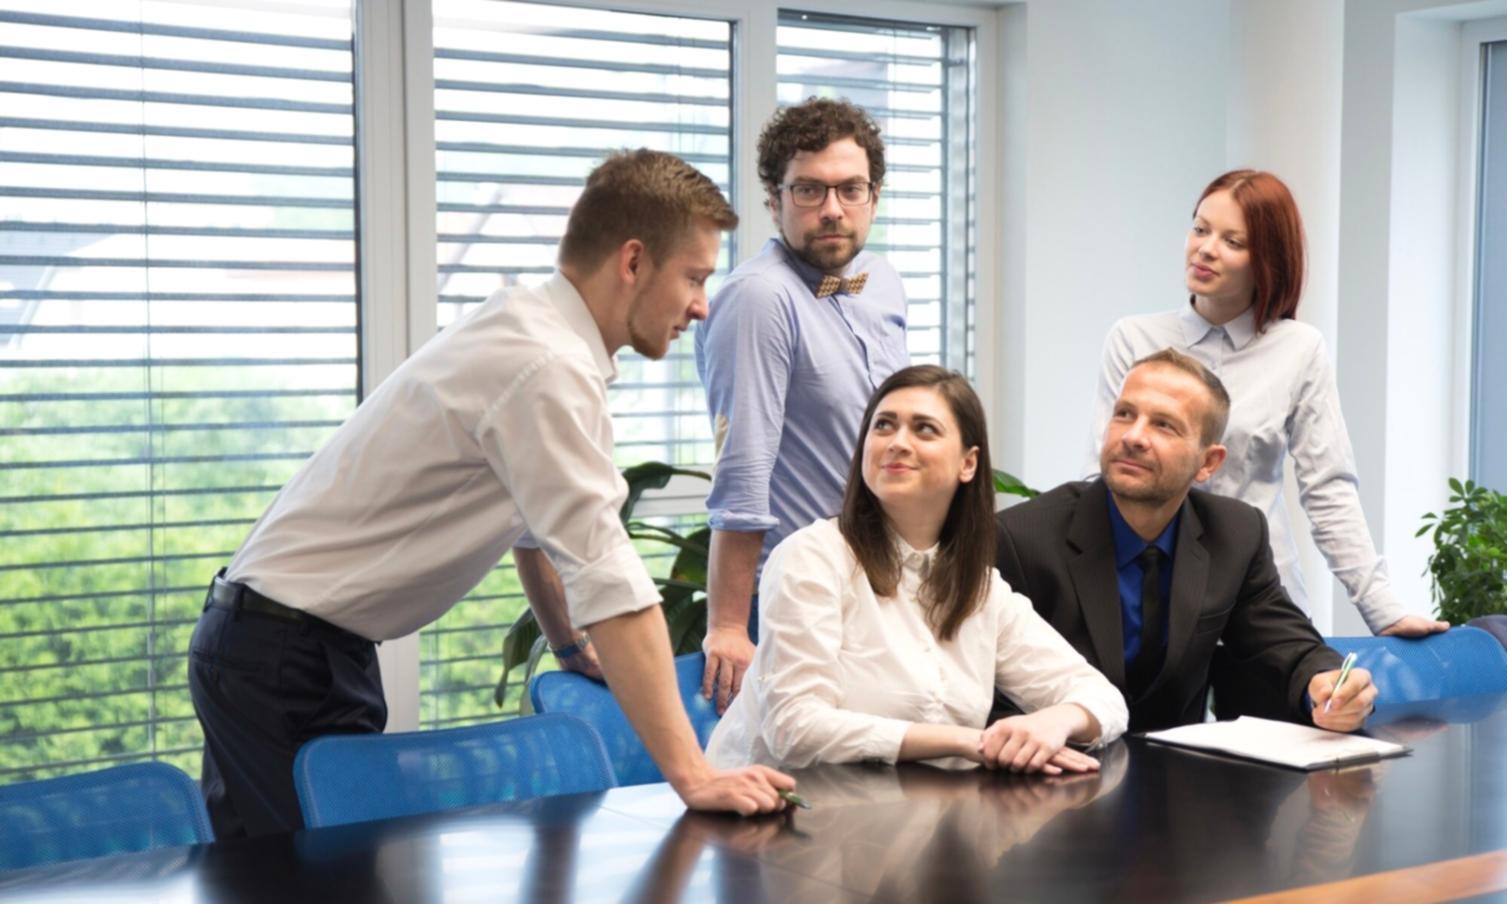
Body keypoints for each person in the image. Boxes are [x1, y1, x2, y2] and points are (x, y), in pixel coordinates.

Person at [187, 149, 795, 839]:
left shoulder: (528, 329)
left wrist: (566, 645)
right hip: (282, 653)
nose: (700, 304)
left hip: (286, 643)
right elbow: (609, 578)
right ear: (632, 262)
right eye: (693, 276)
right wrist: (695, 775)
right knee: (313, 883)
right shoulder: (545, 366)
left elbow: (532, 525)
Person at [706, 365, 1127, 772]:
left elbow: (1103, 699)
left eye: (924, 429)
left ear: (968, 463)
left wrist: (1053, 722)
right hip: (775, 817)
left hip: (909, 819)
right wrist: (973, 742)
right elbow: (793, 728)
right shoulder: (812, 557)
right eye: (883, 425)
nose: (897, 442)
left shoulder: (980, 590)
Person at [1088, 169, 1447, 638]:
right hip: (1150, 591)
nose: (1206, 249)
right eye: (1200, 229)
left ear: (1268, 261)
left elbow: (1328, 489)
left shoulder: (1299, 349)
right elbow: (1104, 474)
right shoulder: (1134, 338)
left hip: (1258, 590)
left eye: (1233, 241)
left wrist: (1383, 609)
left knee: (1290, 709)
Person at [1004, 350, 1377, 732]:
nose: (1133, 437)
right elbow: (988, 691)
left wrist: (1326, 683)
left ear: (1209, 463)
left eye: (1164, 425)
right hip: (1053, 772)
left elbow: (1283, 642)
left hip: (1179, 775)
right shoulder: (1022, 539)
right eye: (1124, 414)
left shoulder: (1234, 533)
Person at [695, 97, 910, 713]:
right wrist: (731, 627)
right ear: (774, 199)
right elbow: (743, 469)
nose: (833, 210)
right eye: (809, 190)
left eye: (851, 189)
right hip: (799, 598)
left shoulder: (883, 281)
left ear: (875, 195)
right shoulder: (759, 298)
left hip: (883, 584)